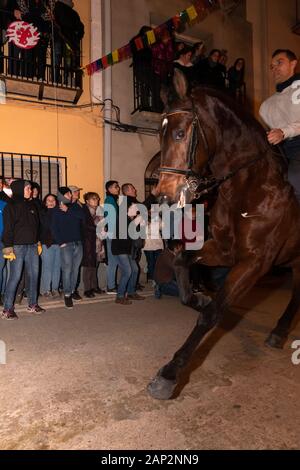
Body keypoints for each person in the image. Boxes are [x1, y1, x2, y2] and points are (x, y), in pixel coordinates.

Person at [259, 49, 300, 203]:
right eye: (271, 66)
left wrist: (283, 132)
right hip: (279, 150)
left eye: (279, 62)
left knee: (296, 177)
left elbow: (281, 131)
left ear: (293, 63)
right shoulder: (265, 106)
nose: (274, 68)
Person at [1, 180, 44, 319]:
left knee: (34, 276)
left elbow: (35, 226)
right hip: (17, 247)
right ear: (19, 189)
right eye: (27, 188)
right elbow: (8, 229)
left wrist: (37, 241)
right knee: (15, 277)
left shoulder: (32, 205)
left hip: (32, 246)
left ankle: (32, 304)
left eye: (30, 188)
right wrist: (8, 247)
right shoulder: (10, 207)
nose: (30, 191)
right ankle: (7, 309)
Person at [51, 186, 84, 309]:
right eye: (68, 194)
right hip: (66, 244)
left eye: (71, 194)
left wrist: (68, 210)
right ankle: (67, 294)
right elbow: (54, 228)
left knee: (75, 269)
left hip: (78, 243)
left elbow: (83, 217)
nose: (70, 196)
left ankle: (72, 290)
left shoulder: (74, 207)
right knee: (67, 269)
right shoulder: (56, 209)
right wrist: (61, 242)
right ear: (62, 195)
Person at [82, 192, 104, 298]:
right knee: (88, 266)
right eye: (93, 199)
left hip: (97, 240)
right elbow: (85, 226)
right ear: (87, 201)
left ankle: (95, 287)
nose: (96, 200)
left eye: (97, 198)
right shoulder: (85, 211)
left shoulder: (98, 210)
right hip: (88, 241)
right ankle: (87, 289)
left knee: (95, 265)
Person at [39, 193, 61, 298]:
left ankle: (55, 289)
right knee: (47, 267)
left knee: (57, 267)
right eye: (48, 200)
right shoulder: (42, 213)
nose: (51, 202)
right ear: (45, 202)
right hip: (46, 243)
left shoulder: (61, 213)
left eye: (53, 200)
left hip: (60, 244)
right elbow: (44, 227)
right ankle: (47, 290)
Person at [103, 180, 119, 294]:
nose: (118, 188)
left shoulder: (112, 199)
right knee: (113, 260)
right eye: (115, 187)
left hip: (113, 233)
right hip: (112, 234)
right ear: (109, 189)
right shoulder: (109, 199)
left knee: (114, 260)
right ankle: (110, 286)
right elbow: (110, 218)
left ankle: (112, 284)